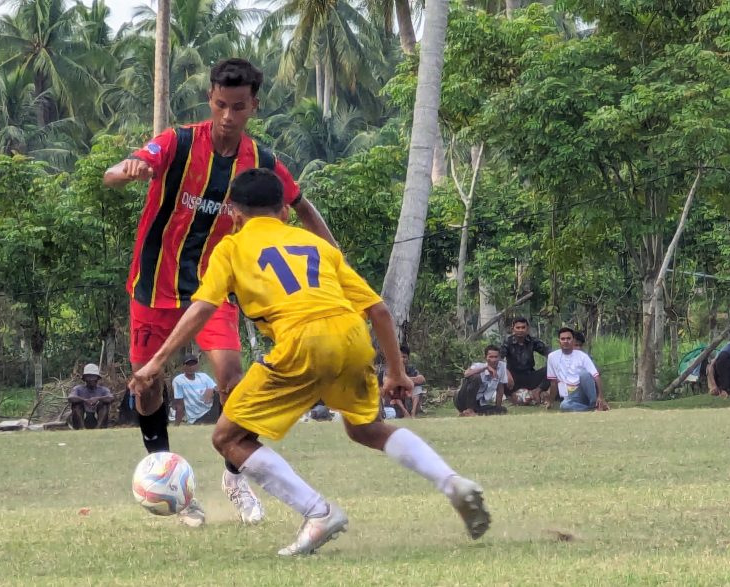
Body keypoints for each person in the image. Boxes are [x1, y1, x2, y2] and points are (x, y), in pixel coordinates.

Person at [130, 169, 490, 556]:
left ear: (233, 214)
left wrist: (156, 362)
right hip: (351, 336)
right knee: (367, 428)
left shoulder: (231, 248)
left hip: (300, 340)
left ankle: (318, 513)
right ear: (284, 212)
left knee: (228, 438)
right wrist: (396, 371)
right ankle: (453, 483)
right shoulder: (316, 245)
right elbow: (380, 311)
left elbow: (202, 307)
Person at [103, 58, 336, 526]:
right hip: (153, 285)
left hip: (215, 288)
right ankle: (173, 482)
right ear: (210, 99)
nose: (228, 115)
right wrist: (125, 170)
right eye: (220, 105)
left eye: (239, 106)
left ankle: (235, 475)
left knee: (232, 377)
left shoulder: (261, 163)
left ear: (254, 105)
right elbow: (113, 173)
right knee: (147, 387)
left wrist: (331, 255)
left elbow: (300, 204)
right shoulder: (178, 141)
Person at [547, 327, 609, 412]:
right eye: (563, 339)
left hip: (583, 390)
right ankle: (591, 409)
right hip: (569, 396)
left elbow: (596, 377)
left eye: (568, 338)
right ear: (559, 341)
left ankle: (594, 403)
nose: (566, 341)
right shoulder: (552, 357)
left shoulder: (583, 356)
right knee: (564, 406)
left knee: (584, 374)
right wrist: (551, 402)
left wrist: (600, 397)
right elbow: (553, 383)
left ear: (573, 341)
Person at [500, 317, 550, 404]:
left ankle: (537, 391)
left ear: (527, 329)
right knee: (500, 373)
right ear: (513, 329)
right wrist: (506, 372)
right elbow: (498, 359)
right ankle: (512, 396)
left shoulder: (532, 341)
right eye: (518, 328)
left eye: (523, 327)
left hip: (530, 376)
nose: (520, 330)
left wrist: (553, 361)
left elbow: (550, 353)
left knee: (551, 370)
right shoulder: (507, 342)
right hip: (513, 378)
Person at [454, 345, 508, 416]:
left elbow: (500, 389)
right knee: (476, 377)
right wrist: (485, 368)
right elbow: (466, 374)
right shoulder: (478, 366)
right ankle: (469, 410)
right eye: (491, 357)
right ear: (485, 358)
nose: (494, 360)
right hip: (462, 399)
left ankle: (471, 413)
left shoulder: (502, 367)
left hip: (478, 402)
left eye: (496, 357)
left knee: (502, 410)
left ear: (499, 357)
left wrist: (498, 408)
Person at [172, 354, 220, 425]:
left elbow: (219, 389)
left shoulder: (203, 376)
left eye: (193, 364)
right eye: (188, 364)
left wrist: (212, 389)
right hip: (198, 417)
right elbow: (179, 405)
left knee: (223, 393)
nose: (191, 367)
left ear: (197, 366)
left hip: (210, 410)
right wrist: (176, 425)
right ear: (183, 367)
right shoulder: (179, 381)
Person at [68, 364, 114, 429]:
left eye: (93, 377)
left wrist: (98, 399)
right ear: (84, 379)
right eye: (88, 377)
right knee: (76, 405)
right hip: (81, 419)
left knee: (104, 405)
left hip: (98, 419)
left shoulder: (103, 390)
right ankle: (81, 428)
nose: (91, 379)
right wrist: (84, 400)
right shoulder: (78, 388)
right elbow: (70, 398)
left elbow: (111, 398)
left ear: (97, 378)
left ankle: (99, 428)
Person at [401, 345, 428, 417]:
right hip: (397, 402)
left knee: (418, 387)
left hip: (409, 400)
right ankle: (404, 412)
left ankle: (413, 412)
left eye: (404, 357)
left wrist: (405, 380)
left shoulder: (411, 369)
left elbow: (422, 379)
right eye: (400, 357)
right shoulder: (392, 370)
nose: (402, 359)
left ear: (408, 359)